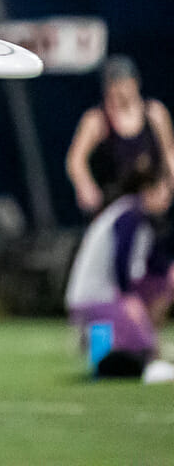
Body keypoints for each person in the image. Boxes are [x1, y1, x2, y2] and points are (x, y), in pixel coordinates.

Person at [65, 171, 174, 381]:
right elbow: (121, 258)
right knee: (137, 348)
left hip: (106, 292)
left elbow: (155, 264)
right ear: (147, 191)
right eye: (163, 191)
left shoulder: (141, 218)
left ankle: (140, 344)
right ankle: (134, 351)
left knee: (168, 277)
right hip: (96, 296)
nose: (167, 199)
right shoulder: (129, 215)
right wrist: (128, 298)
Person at [66, 54, 174, 216]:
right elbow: (76, 160)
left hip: (151, 201)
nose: (117, 91)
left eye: (121, 84)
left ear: (135, 82)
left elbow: (169, 154)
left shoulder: (154, 113)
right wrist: (85, 186)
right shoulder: (97, 120)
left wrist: (167, 187)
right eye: (112, 86)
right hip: (114, 206)